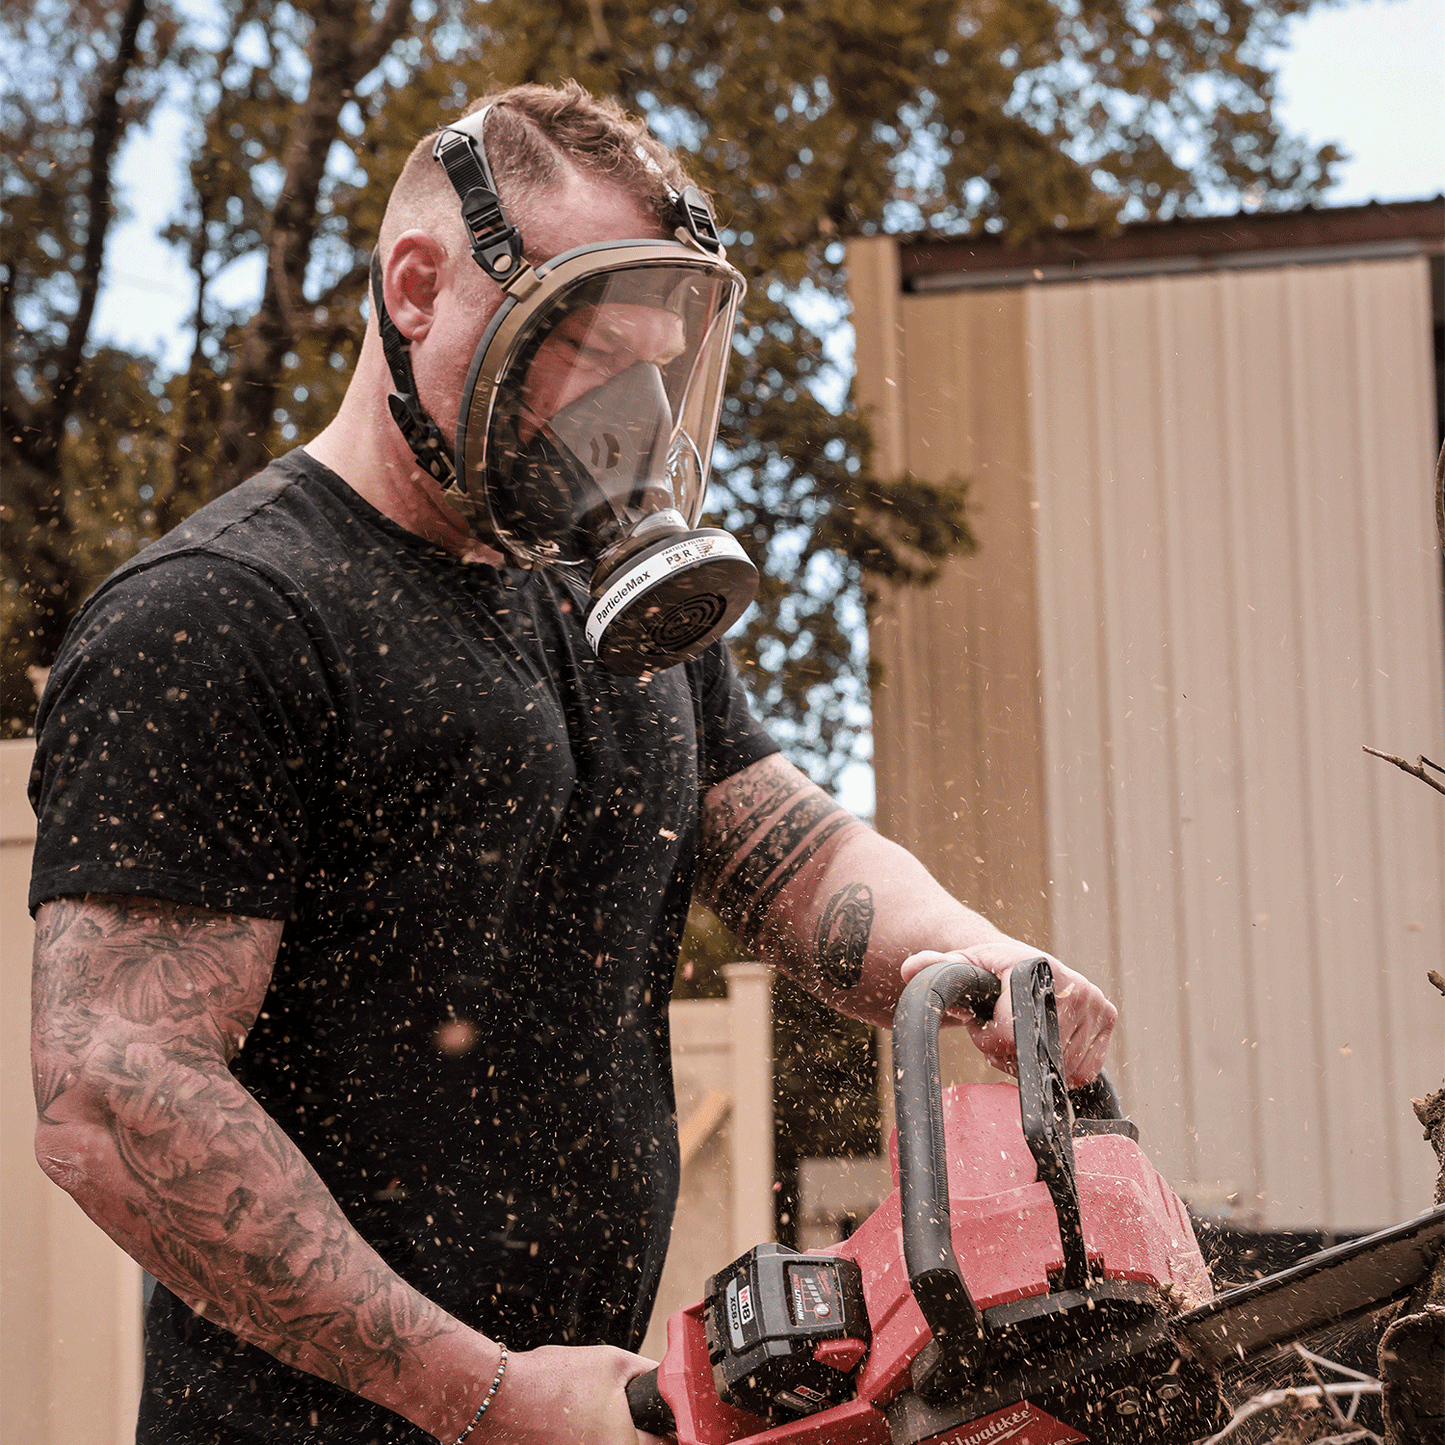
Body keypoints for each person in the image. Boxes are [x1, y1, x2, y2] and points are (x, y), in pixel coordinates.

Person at [27, 82, 1116, 1445]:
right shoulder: (215, 616)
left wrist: (975, 962)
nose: (629, 414)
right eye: (584, 354)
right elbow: (111, 1099)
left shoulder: (595, 602)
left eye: (653, 370)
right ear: (417, 289)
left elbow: (794, 847)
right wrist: (479, 1395)